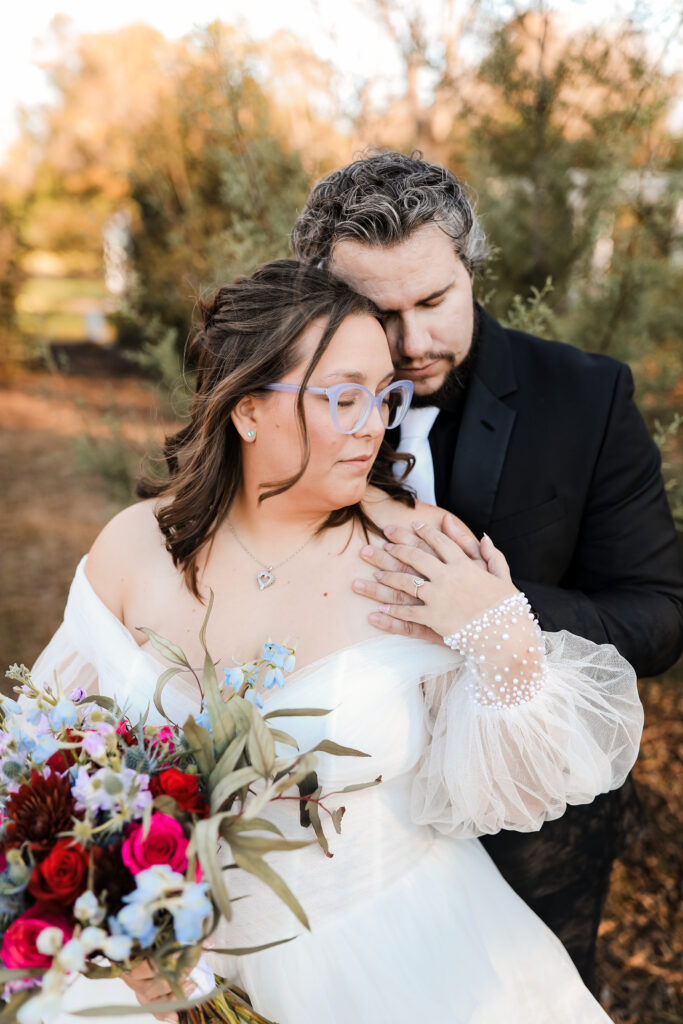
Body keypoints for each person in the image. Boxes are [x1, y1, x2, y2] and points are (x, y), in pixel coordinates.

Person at [32, 261, 643, 1024]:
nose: (375, 423)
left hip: (390, 960)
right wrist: (116, 942)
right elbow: (46, 773)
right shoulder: (132, 548)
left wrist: (501, 632)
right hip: (160, 968)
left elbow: (512, 791)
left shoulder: (420, 552)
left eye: (383, 394)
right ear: (247, 410)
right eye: (342, 396)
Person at [289, 152, 683, 988]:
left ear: (470, 270)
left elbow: (656, 616)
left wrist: (492, 610)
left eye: (433, 301)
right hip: (344, 831)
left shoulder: (586, 397)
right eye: (374, 311)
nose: (410, 342)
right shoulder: (283, 405)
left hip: (531, 814)